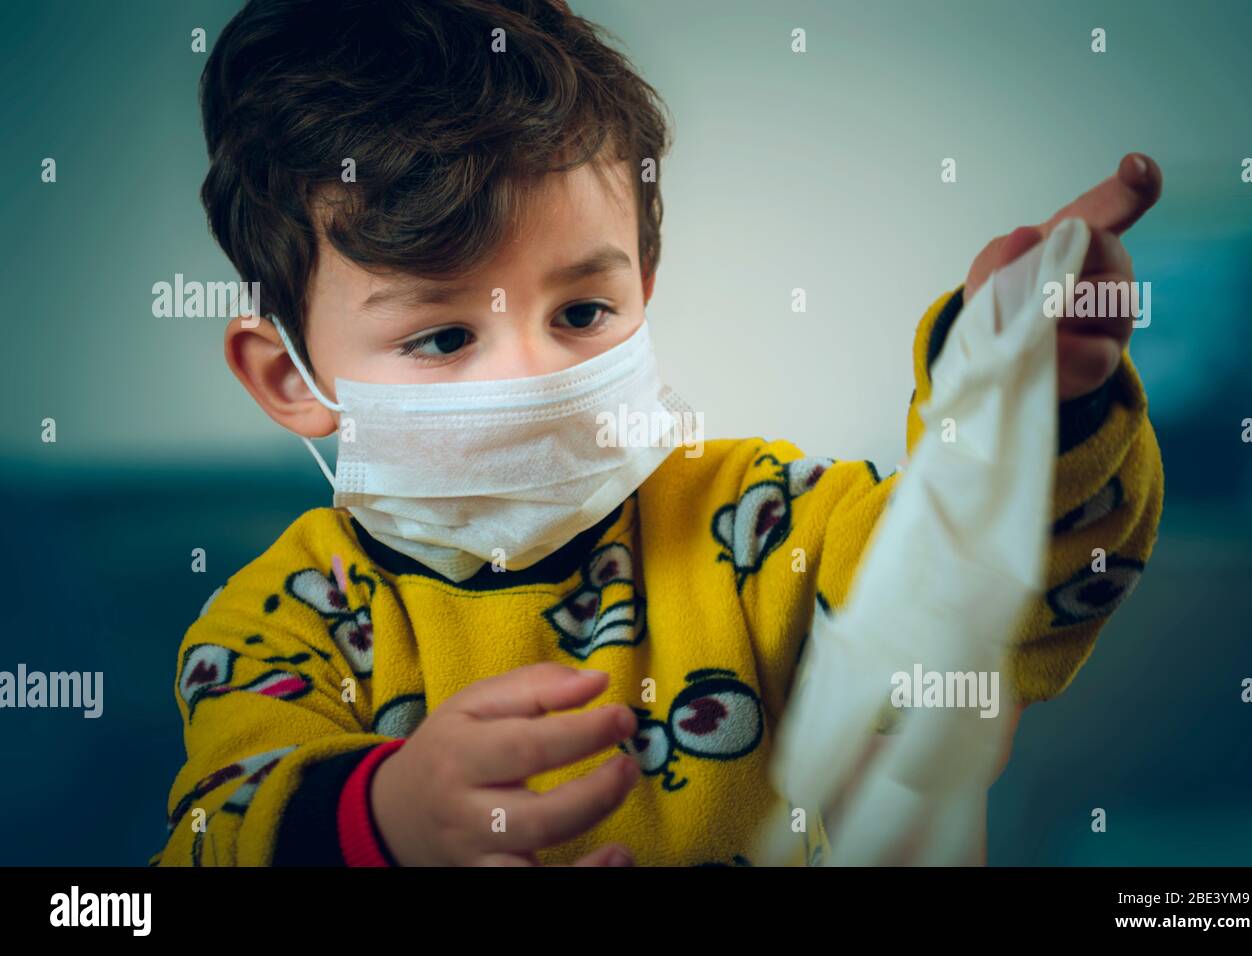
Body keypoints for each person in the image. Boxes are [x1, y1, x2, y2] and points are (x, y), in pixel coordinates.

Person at [152, 0, 1163, 867]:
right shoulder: (280, 623)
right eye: (444, 333)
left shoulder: (764, 524)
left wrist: (1028, 392)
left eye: (582, 312)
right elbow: (212, 832)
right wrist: (384, 816)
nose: (535, 373)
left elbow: (984, 593)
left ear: (644, 285)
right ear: (289, 375)